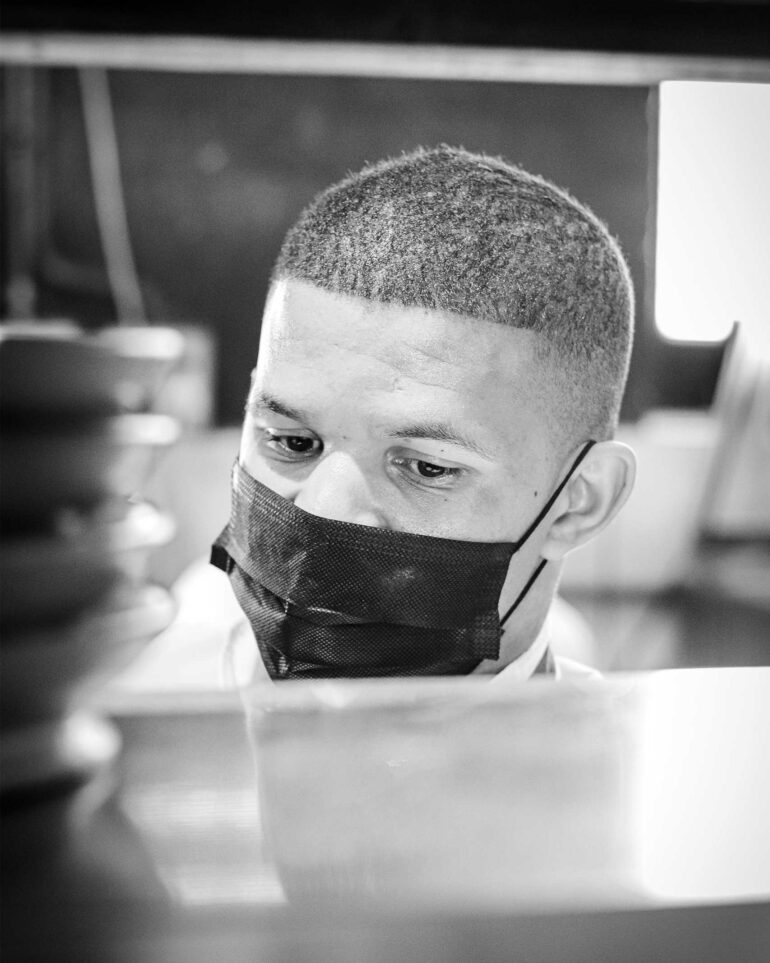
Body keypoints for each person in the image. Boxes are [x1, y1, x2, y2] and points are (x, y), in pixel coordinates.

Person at [116, 145, 636, 691]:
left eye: (428, 469)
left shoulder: (631, 768)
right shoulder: (153, 702)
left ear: (581, 499)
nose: (323, 510)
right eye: (292, 443)